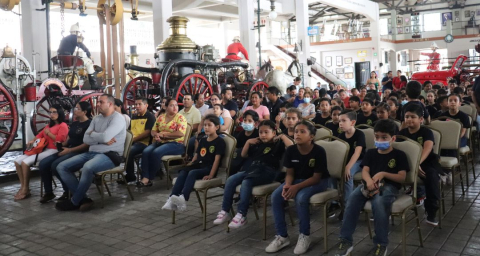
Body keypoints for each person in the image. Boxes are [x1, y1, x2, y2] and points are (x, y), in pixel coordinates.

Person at [335, 119, 409, 256]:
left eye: (384, 137)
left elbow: (402, 177)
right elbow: (365, 171)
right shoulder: (371, 153)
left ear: (392, 138)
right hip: (367, 185)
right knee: (351, 200)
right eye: (377, 137)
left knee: (379, 203)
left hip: (389, 187)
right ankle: (345, 240)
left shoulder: (399, 155)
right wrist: (369, 181)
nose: (380, 140)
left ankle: (381, 243)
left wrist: (383, 174)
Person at [265, 120, 330, 255]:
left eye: (302, 132)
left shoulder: (319, 151)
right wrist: (288, 185)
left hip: (318, 182)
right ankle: (282, 236)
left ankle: (305, 235)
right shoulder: (291, 150)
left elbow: (316, 177)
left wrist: (296, 187)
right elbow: (290, 173)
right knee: (276, 196)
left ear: (311, 136)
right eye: (296, 132)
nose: (297, 134)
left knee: (301, 197)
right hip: (296, 180)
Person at [213, 120, 293, 228]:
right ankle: (225, 210)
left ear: (274, 133)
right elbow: (244, 155)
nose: (263, 135)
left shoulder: (277, 143)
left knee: (247, 182)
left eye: (266, 132)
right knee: (231, 179)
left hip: (268, 171)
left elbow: (292, 147)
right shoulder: (257, 143)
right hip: (252, 170)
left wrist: (282, 136)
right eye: (261, 132)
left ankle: (242, 214)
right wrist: (248, 143)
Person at [55, 94, 126, 211]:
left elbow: (103, 137)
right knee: (62, 167)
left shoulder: (118, 118)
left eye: (101, 102)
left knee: (87, 168)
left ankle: (74, 201)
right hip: (92, 152)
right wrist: (101, 138)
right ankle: (84, 199)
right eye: (98, 102)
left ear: (110, 104)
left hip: (111, 155)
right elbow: (86, 139)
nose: (97, 105)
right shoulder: (96, 119)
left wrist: (94, 135)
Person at [162, 114, 226, 211]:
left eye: (209, 125)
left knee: (192, 173)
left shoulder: (220, 142)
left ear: (217, 127)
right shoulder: (203, 140)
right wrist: (190, 164)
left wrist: (211, 174)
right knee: (184, 171)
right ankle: (171, 198)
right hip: (199, 164)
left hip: (208, 167)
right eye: (205, 125)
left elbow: (217, 160)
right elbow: (197, 155)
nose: (206, 127)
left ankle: (184, 197)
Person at [38, 102, 92, 203]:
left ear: (85, 112)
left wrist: (69, 150)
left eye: (77, 108)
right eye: (75, 108)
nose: (74, 110)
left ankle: (68, 190)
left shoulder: (89, 124)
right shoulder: (75, 123)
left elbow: (87, 144)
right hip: (68, 148)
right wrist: (61, 144)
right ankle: (49, 192)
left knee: (55, 165)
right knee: (43, 164)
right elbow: (69, 138)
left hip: (79, 151)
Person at [14, 105, 68, 200]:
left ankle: (26, 189)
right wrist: (32, 140)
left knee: (25, 162)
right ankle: (23, 186)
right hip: (44, 149)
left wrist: (48, 133)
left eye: (54, 112)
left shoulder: (62, 125)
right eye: (50, 112)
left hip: (54, 150)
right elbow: (39, 135)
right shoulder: (49, 125)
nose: (51, 114)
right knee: (17, 161)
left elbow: (61, 140)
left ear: (60, 113)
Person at [399, 104, 441, 226]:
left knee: (431, 176)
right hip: (406, 164)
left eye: (413, 116)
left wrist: (417, 163)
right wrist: (412, 165)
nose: (409, 119)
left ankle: (431, 211)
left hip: (425, 163)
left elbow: (427, 149)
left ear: (421, 119)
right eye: (407, 117)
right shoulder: (402, 133)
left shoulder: (426, 132)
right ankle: (383, 206)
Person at [138, 98, 187, 187]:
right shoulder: (161, 117)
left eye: (176, 105)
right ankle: (145, 177)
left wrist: (164, 135)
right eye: (172, 105)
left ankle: (149, 178)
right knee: (146, 151)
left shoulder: (180, 117)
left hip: (176, 144)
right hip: (160, 142)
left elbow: (180, 133)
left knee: (156, 152)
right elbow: (153, 130)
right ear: (166, 107)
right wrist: (156, 135)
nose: (175, 107)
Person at [119, 97, 156, 184]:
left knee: (129, 151)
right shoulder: (134, 116)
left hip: (144, 143)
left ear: (146, 105)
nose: (137, 106)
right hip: (133, 142)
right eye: (136, 104)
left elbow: (147, 133)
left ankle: (130, 175)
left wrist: (132, 140)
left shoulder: (150, 117)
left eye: (140, 104)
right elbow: (129, 131)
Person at [57, 23, 102, 89]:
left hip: (63, 60)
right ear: (77, 32)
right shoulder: (74, 37)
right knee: (89, 62)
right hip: (70, 60)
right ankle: (94, 85)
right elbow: (82, 46)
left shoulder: (64, 39)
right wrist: (88, 53)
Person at [338, 110, 366, 208]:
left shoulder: (359, 134)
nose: (340, 123)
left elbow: (357, 153)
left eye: (343, 121)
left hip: (360, 161)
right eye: (339, 121)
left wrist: (348, 167)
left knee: (347, 176)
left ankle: (348, 206)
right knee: (331, 174)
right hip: (346, 161)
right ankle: (334, 203)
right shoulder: (341, 136)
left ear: (352, 122)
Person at [230, 110, 260, 176]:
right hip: (241, 156)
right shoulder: (241, 134)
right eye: (245, 120)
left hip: (252, 158)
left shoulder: (258, 134)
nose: (246, 123)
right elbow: (237, 148)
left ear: (255, 123)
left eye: (249, 121)